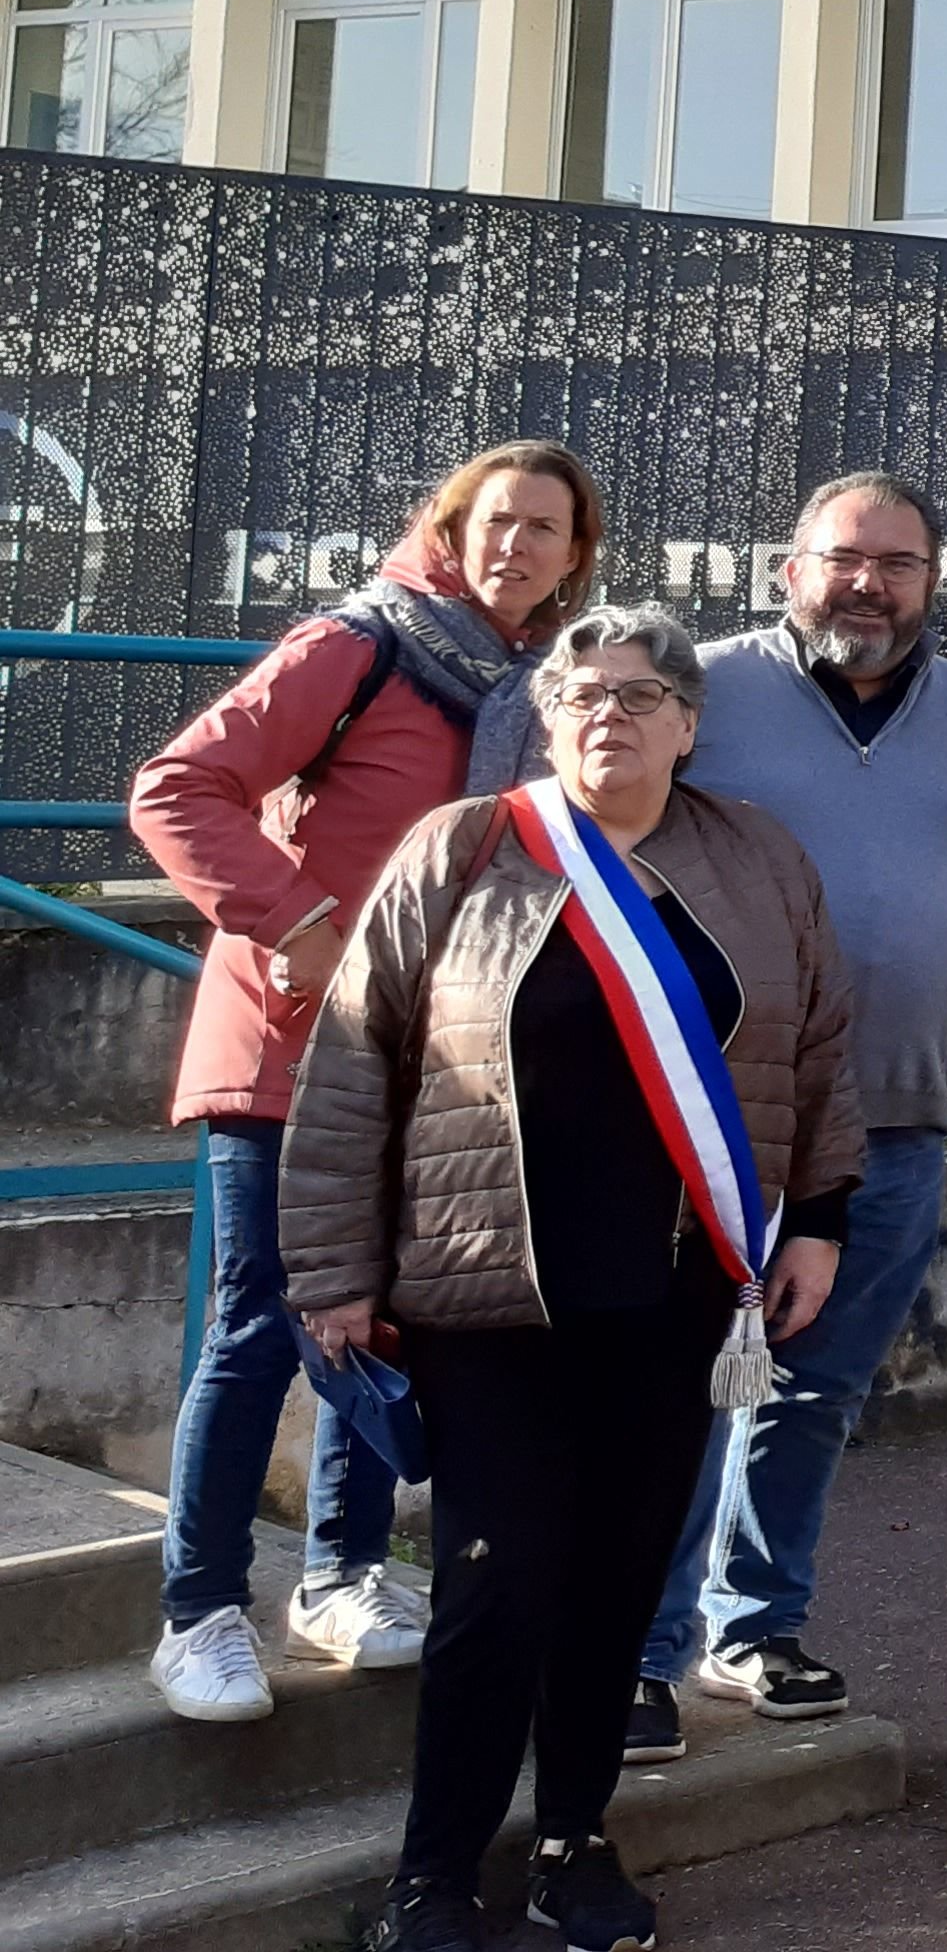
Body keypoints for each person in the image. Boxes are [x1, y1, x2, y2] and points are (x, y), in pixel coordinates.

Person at [284, 603, 860, 1952]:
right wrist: (331, 1265)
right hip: (485, 1292)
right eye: (586, 693)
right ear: (548, 716)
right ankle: (430, 1875)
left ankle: (572, 1842)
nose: (614, 714)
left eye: (644, 695)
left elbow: (825, 1047)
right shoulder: (466, 849)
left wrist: (820, 1220)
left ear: (690, 724)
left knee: (614, 1581)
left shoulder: (757, 860)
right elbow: (355, 1064)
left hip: (671, 1295)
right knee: (498, 1580)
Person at [126, 438, 602, 1724]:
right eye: (495, 521)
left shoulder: (535, 687)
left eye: (545, 530)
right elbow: (177, 790)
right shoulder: (361, 645)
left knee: (385, 1322)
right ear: (450, 527)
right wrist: (304, 929)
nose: (516, 547)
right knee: (261, 1324)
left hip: (432, 1059)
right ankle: (200, 1610)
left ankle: (338, 1576)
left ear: (575, 556)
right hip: (288, 1045)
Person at [632, 469, 947, 1755]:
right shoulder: (698, 688)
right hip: (709, 1116)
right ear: (787, 568)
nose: (868, 584)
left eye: (899, 563)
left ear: (936, 579)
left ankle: (753, 1626)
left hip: (897, 1117)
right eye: (843, 558)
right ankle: (639, 1651)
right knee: (672, 1389)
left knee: (812, 1395)